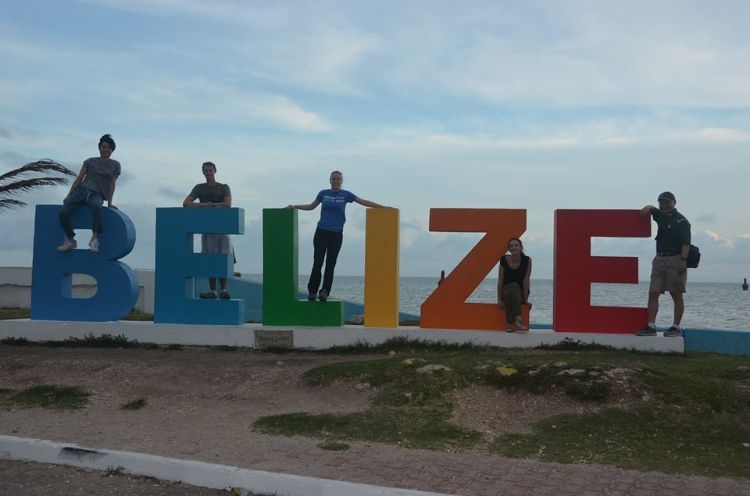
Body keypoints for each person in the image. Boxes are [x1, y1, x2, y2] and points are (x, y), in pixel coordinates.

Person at [286, 170, 389, 302]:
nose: (335, 181)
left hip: (336, 234)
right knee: (317, 263)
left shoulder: (346, 195)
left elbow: (363, 202)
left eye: (338, 179)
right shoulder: (323, 193)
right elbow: (311, 206)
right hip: (321, 232)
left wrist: (382, 207)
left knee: (330, 264)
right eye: (333, 179)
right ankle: (312, 291)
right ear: (330, 180)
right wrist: (294, 206)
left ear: (341, 181)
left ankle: (324, 291)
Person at [637, 191, 691, 337]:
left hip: (676, 259)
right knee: (653, 292)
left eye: (667, 202)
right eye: (661, 202)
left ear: (674, 203)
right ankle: (651, 326)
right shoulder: (660, 215)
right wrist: (648, 207)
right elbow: (651, 209)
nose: (664, 205)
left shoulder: (682, 221)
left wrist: (683, 260)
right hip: (659, 259)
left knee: (676, 294)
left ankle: (675, 327)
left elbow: (686, 243)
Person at [57, 134, 121, 253]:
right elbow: (80, 178)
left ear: (112, 150)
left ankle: (94, 239)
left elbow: (112, 184)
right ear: (99, 147)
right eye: (103, 146)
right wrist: (69, 195)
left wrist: (110, 202)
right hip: (81, 191)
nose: (105, 149)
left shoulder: (115, 165)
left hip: (97, 194)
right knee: (63, 212)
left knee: (96, 207)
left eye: (108, 148)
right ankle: (71, 240)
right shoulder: (90, 161)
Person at [183, 161, 234, 300]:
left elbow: (228, 204)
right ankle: (213, 291)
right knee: (210, 259)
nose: (208, 173)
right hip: (207, 230)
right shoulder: (199, 188)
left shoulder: (224, 187)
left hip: (223, 229)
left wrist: (213, 205)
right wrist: (205, 205)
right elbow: (186, 203)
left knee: (224, 258)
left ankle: (223, 289)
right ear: (203, 172)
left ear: (215, 171)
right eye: (206, 171)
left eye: (210, 170)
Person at [497, 237, 532, 332]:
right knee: (512, 287)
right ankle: (518, 319)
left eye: (516, 245)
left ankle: (509, 324)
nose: (514, 247)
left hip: (520, 293)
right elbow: (500, 281)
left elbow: (526, 281)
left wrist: (525, 300)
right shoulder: (504, 259)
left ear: (521, 247)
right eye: (511, 246)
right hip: (506, 289)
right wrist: (499, 300)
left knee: (512, 291)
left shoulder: (527, 260)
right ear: (508, 249)